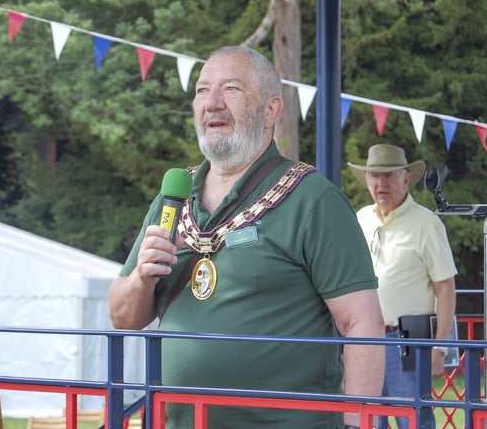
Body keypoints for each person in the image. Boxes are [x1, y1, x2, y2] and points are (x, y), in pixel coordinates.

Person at [108, 45, 385, 428]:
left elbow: (362, 323)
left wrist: (358, 424)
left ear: (271, 109)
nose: (212, 102)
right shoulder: (173, 196)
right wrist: (141, 277)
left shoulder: (313, 199)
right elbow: (122, 318)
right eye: (202, 90)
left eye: (232, 89)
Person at [348, 143, 458, 429]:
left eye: (389, 176)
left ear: (406, 179)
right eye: (374, 176)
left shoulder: (427, 223)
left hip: (410, 337)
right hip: (366, 338)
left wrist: (440, 348)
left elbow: (446, 288)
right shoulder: (360, 218)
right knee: (370, 421)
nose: (380, 183)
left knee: (416, 421)